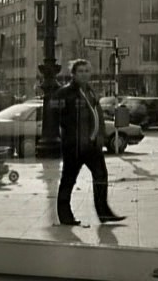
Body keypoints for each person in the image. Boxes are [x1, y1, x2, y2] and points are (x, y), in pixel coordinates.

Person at [56, 59, 125, 225]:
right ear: (73, 74)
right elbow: (57, 118)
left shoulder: (90, 91)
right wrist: (68, 137)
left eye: (87, 70)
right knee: (69, 179)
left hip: (92, 144)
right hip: (75, 146)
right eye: (80, 71)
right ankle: (65, 215)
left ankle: (104, 212)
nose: (84, 74)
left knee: (101, 175)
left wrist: (100, 135)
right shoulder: (65, 93)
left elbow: (98, 114)